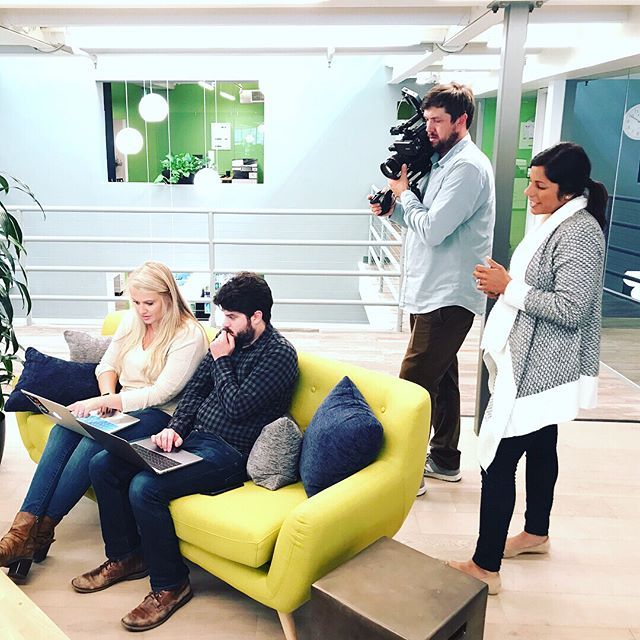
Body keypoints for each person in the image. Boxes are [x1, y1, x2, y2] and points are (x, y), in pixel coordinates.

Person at [71, 272, 298, 632]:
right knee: (104, 465)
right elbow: (194, 392)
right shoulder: (226, 340)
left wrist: (222, 360)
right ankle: (127, 557)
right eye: (222, 315)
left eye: (232, 317)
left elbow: (237, 407)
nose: (223, 324)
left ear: (257, 316)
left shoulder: (279, 355)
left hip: (229, 454)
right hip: (192, 439)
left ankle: (171, 585)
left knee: (145, 488)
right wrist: (174, 429)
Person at [448, 142, 608, 594]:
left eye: (540, 186)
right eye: (530, 182)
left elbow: (572, 309)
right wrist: (506, 284)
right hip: (535, 358)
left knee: (496, 459)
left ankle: (485, 567)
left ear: (567, 191)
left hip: (541, 367)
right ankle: (536, 533)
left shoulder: (579, 233)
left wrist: (509, 288)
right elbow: (545, 286)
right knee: (541, 445)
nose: (529, 193)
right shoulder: (558, 223)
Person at [0, 261, 208, 581]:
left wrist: (107, 403)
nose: (141, 310)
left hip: (161, 416)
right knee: (63, 430)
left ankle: (30, 538)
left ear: (169, 296)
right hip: (121, 406)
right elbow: (106, 365)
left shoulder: (188, 334)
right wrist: (109, 396)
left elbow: (162, 392)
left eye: (149, 303)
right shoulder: (133, 321)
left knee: (91, 442)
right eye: (135, 302)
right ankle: (23, 533)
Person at [369, 82, 495, 494]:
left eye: (437, 121)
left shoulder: (467, 168)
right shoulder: (443, 163)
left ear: (462, 120)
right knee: (441, 380)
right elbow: (421, 223)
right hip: (430, 290)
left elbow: (434, 229)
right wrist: (393, 209)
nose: (429, 129)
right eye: (426, 120)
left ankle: (402, 475)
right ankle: (444, 458)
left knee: (411, 385)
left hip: (448, 294)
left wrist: (404, 195)